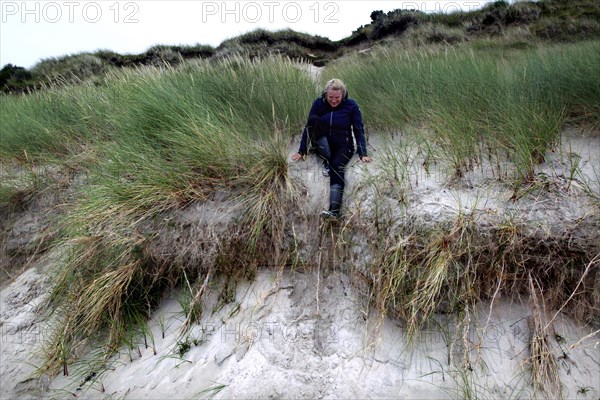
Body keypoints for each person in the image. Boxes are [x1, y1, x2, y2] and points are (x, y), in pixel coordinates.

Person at [291, 78, 372, 221]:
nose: (334, 101)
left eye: (337, 98)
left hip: (343, 146)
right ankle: (327, 161)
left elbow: (358, 129)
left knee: (336, 166)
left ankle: (334, 211)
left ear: (343, 94)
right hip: (322, 145)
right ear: (325, 94)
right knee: (314, 119)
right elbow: (309, 127)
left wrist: (362, 152)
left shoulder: (351, 105)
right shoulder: (318, 104)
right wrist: (302, 150)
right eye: (330, 97)